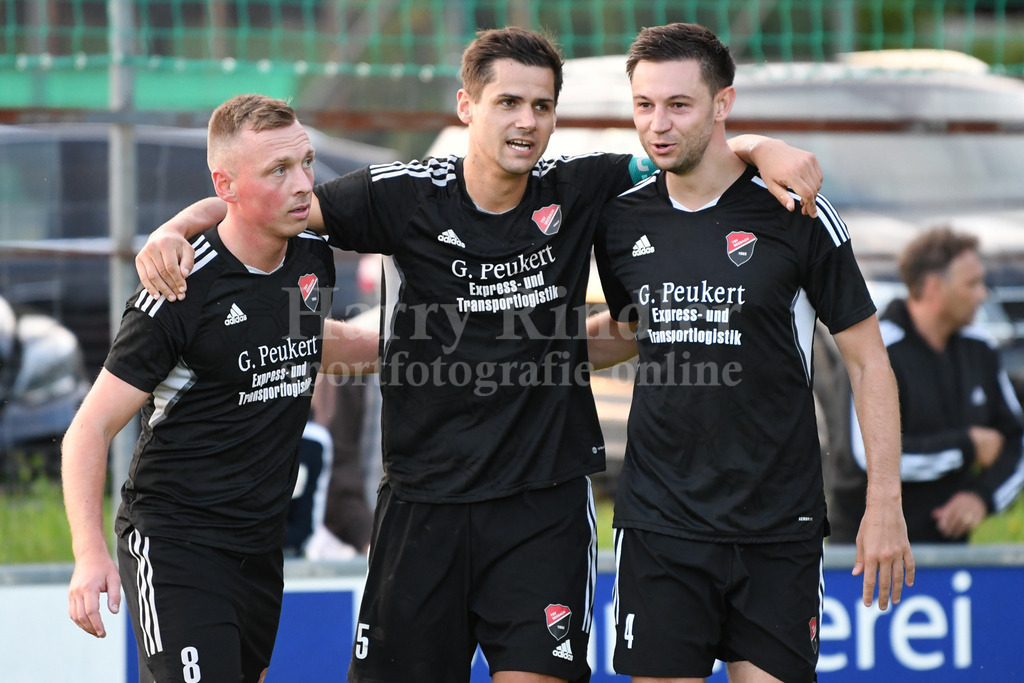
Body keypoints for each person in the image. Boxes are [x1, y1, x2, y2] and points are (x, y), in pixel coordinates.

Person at [133, 27, 824, 683]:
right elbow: (263, 199)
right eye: (508, 102)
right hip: (423, 501)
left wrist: (763, 145)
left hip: (542, 504)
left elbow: (689, 148)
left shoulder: (582, 187)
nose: (526, 120)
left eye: (542, 106)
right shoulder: (401, 194)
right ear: (468, 106)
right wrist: (173, 227)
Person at [584, 23, 914, 682]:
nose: (658, 123)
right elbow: (634, 329)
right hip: (659, 522)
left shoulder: (797, 210)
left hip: (777, 523)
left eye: (679, 104)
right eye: (644, 105)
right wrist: (531, 344)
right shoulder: (620, 219)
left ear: (722, 104)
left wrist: (885, 501)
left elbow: (870, 362)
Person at [62, 94, 378, 683]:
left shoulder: (311, 253)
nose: (303, 184)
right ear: (226, 184)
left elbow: (302, 337)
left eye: (306, 163)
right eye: (278, 171)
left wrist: (400, 344)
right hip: (175, 542)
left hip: (260, 546)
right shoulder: (176, 289)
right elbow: (89, 428)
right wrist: (88, 555)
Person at [825, 227, 1024, 544]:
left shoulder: (981, 350)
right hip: (865, 556)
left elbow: (1016, 443)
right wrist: (966, 446)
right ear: (933, 288)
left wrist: (982, 497)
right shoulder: (874, 353)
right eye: (971, 284)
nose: (982, 295)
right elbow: (865, 457)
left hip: (950, 558)